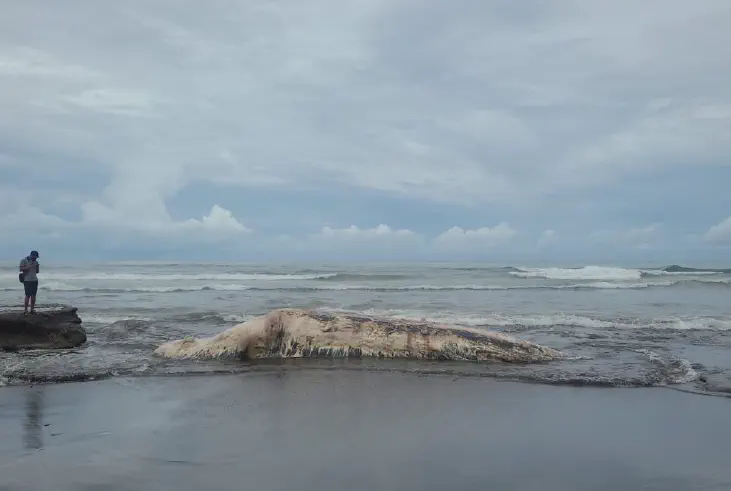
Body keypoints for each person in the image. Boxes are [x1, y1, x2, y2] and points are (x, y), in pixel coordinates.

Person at [19, 250, 40, 315]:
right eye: (35, 257)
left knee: (33, 296)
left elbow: (37, 272)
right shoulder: (24, 260)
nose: (35, 258)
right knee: (27, 295)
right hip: (27, 280)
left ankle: (32, 309)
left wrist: (37, 266)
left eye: (36, 257)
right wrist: (30, 266)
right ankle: (25, 310)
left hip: (35, 280)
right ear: (31, 255)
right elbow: (21, 269)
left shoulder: (36, 262)